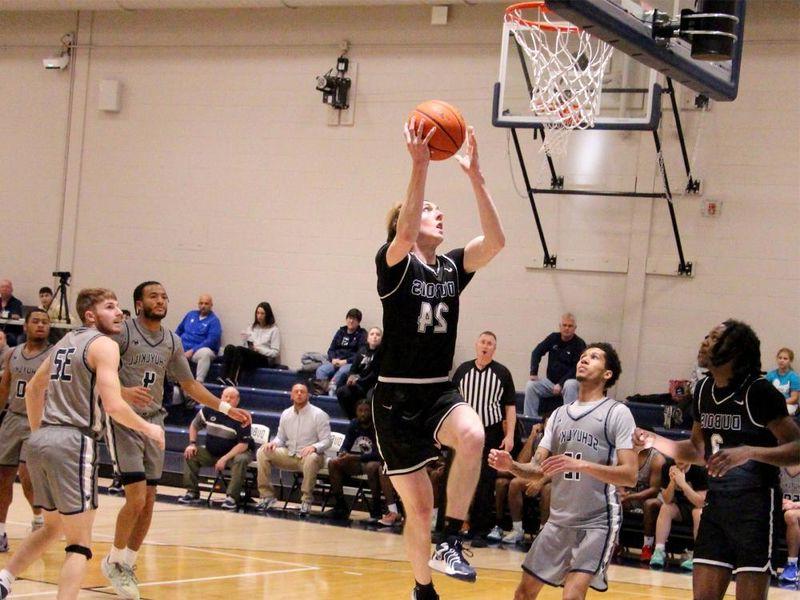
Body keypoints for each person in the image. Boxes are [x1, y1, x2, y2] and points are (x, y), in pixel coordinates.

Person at [373, 120, 505, 599]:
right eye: (428, 209)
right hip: (394, 398)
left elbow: (495, 244)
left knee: (473, 434)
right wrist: (420, 167)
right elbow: (405, 231)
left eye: (437, 208)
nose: (437, 212)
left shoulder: (450, 266)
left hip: (436, 388)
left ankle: (452, 540)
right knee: (419, 509)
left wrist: (476, 179)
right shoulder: (392, 261)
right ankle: (422, 587)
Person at [0, 288, 165, 600]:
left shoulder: (65, 341)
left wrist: (40, 433)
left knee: (50, 527)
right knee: (79, 545)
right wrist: (148, 429)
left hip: (42, 440)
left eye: (119, 307)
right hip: (74, 442)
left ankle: (4, 579)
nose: (119, 313)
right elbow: (113, 406)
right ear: (91, 315)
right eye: (110, 307)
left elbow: (34, 389)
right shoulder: (104, 344)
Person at [102, 281, 251, 600]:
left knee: (150, 500)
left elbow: (190, 386)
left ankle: (128, 563)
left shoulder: (171, 340)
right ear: (139, 303)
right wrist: (121, 391)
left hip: (155, 421)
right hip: (125, 419)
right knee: (136, 497)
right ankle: (114, 560)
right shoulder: (123, 333)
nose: (161, 300)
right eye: (153, 296)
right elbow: (100, 370)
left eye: (165, 296)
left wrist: (227, 409)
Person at [633, 319, 800, 600]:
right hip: (716, 505)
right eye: (706, 336)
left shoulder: (758, 391)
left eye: (713, 337)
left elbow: (797, 446)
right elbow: (698, 451)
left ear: (734, 349)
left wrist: (749, 452)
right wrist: (655, 441)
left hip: (755, 507)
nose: (705, 342)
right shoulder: (702, 390)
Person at [488, 343, 637, 599]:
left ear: (607, 374)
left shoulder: (617, 413)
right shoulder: (558, 415)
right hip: (557, 521)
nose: (584, 360)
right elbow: (537, 469)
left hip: (596, 522)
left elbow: (630, 475)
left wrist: (582, 465)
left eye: (594, 357)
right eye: (583, 356)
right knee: (523, 594)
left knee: (572, 596)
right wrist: (510, 465)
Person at [452, 331, 516, 546]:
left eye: (490, 343)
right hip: (464, 432)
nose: (485, 346)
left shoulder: (502, 373)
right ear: (476, 344)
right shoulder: (462, 370)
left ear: (494, 349)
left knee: (485, 483)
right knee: (456, 479)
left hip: (491, 432)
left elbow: (510, 407)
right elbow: (451, 402)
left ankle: (480, 531)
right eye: (483, 342)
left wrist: (510, 435)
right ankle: (450, 528)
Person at [0, 310, 52, 552]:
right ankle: (0, 531)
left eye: (45, 322)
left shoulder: (53, 355)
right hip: (13, 418)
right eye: (36, 321)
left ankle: (38, 519)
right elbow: (4, 387)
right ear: (25, 327)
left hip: (38, 421)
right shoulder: (12, 354)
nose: (41, 326)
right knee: (3, 478)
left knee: (28, 475)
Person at [255, 383, 331, 516]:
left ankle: (306, 500)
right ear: (291, 395)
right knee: (263, 451)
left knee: (312, 458)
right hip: (290, 454)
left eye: (302, 391)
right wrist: (273, 443)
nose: (299, 394)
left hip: (311, 456)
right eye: (296, 391)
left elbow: (327, 441)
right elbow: (280, 438)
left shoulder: (319, 415)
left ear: (307, 395)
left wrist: (314, 447)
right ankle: (266, 496)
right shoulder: (286, 413)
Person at [321, 399, 398, 522]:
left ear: (371, 412)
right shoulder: (354, 424)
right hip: (360, 461)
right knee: (333, 463)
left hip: (377, 461)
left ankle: (376, 509)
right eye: (360, 411)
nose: (363, 414)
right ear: (356, 412)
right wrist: (343, 452)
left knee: (371, 466)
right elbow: (346, 444)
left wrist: (354, 457)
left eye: (366, 411)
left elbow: (379, 454)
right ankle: (340, 506)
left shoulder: (377, 426)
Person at [178, 387, 253, 510]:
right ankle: (192, 493)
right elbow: (194, 425)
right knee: (191, 454)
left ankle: (232, 498)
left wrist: (224, 458)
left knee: (241, 459)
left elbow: (243, 445)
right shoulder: (209, 410)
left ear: (237, 401)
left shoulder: (242, 417)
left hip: (235, 454)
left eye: (231, 397)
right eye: (225, 396)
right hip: (212, 452)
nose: (228, 399)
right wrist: (192, 444)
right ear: (221, 397)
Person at [488, 421, 549, 545]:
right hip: (536, 473)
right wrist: (532, 436)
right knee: (514, 483)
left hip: (553, 478)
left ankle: (543, 531)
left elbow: (560, 470)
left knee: (548, 489)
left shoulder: (561, 437)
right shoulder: (540, 437)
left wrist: (540, 482)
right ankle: (517, 529)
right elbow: (522, 461)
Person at [523, 314, 585, 418]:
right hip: (551, 383)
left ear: (575, 328)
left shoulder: (579, 344)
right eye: (564, 325)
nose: (567, 328)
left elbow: (577, 368)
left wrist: (561, 384)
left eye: (570, 326)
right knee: (531, 385)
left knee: (570, 384)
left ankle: (568, 420)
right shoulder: (553, 338)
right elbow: (536, 352)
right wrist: (533, 372)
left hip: (569, 384)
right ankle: (530, 420)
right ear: (560, 326)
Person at [648, 460, 707, 571]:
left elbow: (701, 502)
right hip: (680, 508)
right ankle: (659, 551)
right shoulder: (667, 467)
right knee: (665, 508)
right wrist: (673, 482)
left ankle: (698, 555)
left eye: (684, 456)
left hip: (698, 508)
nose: (680, 459)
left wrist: (683, 484)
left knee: (698, 513)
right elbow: (666, 499)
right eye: (678, 455)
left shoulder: (700, 469)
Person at [618, 446, 665, 561]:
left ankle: (647, 546)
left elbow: (654, 489)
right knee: (615, 502)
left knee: (649, 505)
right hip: (630, 496)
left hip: (650, 498)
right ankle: (616, 543)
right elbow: (618, 476)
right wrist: (622, 493)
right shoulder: (625, 453)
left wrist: (629, 497)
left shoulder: (657, 459)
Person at [219, 301, 281, 385]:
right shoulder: (251, 327)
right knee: (229, 348)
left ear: (267, 315)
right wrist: (245, 340)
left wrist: (259, 349)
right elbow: (246, 346)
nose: (259, 316)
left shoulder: (274, 330)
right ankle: (222, 376)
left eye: (262, 313)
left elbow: (275, 352)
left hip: (264, 358)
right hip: (251, 354)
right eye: (258, 313)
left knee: (239, 350)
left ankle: (233, 379)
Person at [315, 308, 367, 395]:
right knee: (321, 370)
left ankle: (331, 395)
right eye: (349, 318)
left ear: (358, 322)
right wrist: (332, 359)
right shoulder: (340, 332)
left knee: (342, 372)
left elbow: (360, 354)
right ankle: (321, 394)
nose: (351, 321)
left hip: (349, 363)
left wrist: (346, 361)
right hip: (335, 361)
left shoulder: (362, 334)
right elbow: (331, 349)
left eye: (354, 319)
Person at [335, 326, 382, 419]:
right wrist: (351, 377)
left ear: (381, 339)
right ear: (368, 338)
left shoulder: (382, 353)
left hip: (373, 385)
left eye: (378, 335)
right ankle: (353, 418)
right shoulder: (361, 351)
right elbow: (353, 369)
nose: (375, 336)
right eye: (372, 334)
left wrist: (358, 380)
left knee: (371, 398)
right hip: (359, 384)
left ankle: (371, 421)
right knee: (342, 391)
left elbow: (375, 374)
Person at [175, 294, 221, 383]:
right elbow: (179, 330)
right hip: (183, 349)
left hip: (197, 351)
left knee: (205, 353)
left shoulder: (214, 321)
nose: (203, 306)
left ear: (211, 305)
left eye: (206, 304)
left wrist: (193, 350)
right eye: (201, 303)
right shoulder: (190, 315)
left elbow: (211, 340)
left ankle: (199, 382)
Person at [779, 465, 800, 584]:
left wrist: (795, 504)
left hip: (795, 510)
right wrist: (779, 500)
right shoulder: (778, 466)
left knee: (791, 515)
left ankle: (792, 564)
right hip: (782, 509)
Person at [765, 347, 799, 416]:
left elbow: (794, 398)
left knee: (779, 413)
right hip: (773, 403)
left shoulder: (794, 377)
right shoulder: (770, 375)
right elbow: (765, 392)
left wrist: (779, 403)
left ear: (790, 360)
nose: (781, 360)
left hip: (789, 404)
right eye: (780, 358)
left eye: (785, 358)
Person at [0, 280, 24, 346]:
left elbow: (16, 316)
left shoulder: (17, 303)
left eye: (7, 287)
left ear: (11, 289)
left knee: (11, 339)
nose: (4, 289)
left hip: (11, 332)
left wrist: (3, 315)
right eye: (2, 287)